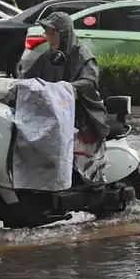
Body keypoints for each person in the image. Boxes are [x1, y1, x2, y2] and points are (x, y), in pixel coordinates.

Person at [22, 11, 110, 182]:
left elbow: (89, 82)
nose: (47, 37)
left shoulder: (83, 56)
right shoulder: (48, 57)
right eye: (46, 32)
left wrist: (66, 89)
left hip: (80, 118)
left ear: (63, 33)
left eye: (51, 32)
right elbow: (28, 78)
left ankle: (89, 184)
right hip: (51, 116)